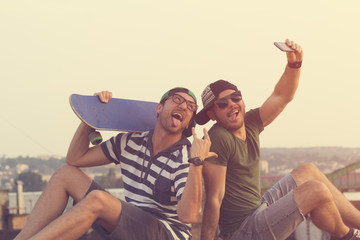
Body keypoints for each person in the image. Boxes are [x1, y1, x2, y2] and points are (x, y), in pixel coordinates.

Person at [195, 39, 360, 240]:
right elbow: (214, 198)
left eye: (235, 97)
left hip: (258, 209)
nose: (232, 104)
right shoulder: (219, 137)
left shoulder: (251, 122)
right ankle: (349, 236)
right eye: (222, 103)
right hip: (242, 231)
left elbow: (282, 96)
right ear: (212, 114)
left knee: (308, 171)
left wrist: (294, 64)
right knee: (315, 191)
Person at [14, 87, 217, 240]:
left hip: (165, 233)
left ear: (189, 120)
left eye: (190, 107)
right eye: (177, 100)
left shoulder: (184, 157)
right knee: (65, 174)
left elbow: (188, 215)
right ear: (159, 107)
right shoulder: (131, 142)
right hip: (128, 225)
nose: (183, 106)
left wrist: (196, 162)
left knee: (98, 200)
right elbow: (75, 159)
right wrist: (90, 116)